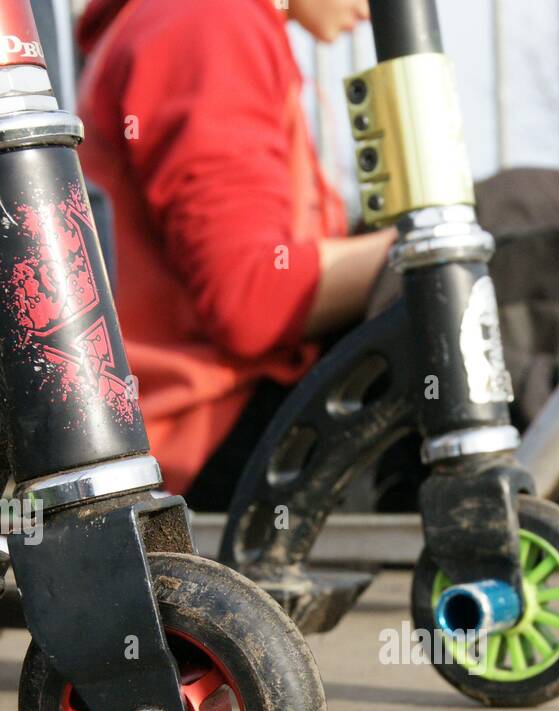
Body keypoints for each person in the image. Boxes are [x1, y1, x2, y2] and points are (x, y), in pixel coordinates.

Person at [76, 0, 395, 504]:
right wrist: (420, 249)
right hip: (198, 442)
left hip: (204, 422)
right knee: (506, 230)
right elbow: (251, 296)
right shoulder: (208, 20)